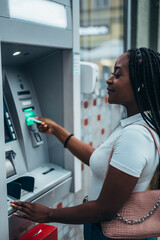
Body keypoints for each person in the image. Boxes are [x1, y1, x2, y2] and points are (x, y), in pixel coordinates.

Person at [10, 47, 160, 240]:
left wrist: (48, 214)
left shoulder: (136, 136)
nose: (109, 79)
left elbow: (105, 210)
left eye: (117, 75)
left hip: (111, 234)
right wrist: (56, 130)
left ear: (140, 85)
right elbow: (100, 160)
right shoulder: (140, 124)